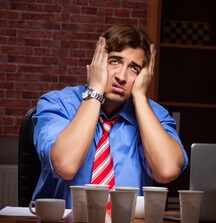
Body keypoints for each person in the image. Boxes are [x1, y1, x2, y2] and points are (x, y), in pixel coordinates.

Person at [32, 24, 188, 208]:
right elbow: (66, 165)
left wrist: (139, 97)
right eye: (114, 61)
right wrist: (95, 90)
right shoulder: (57, 103)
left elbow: (167, 170)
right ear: (98, 62)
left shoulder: (154, 115)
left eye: (134, 68)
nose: (121, 76)